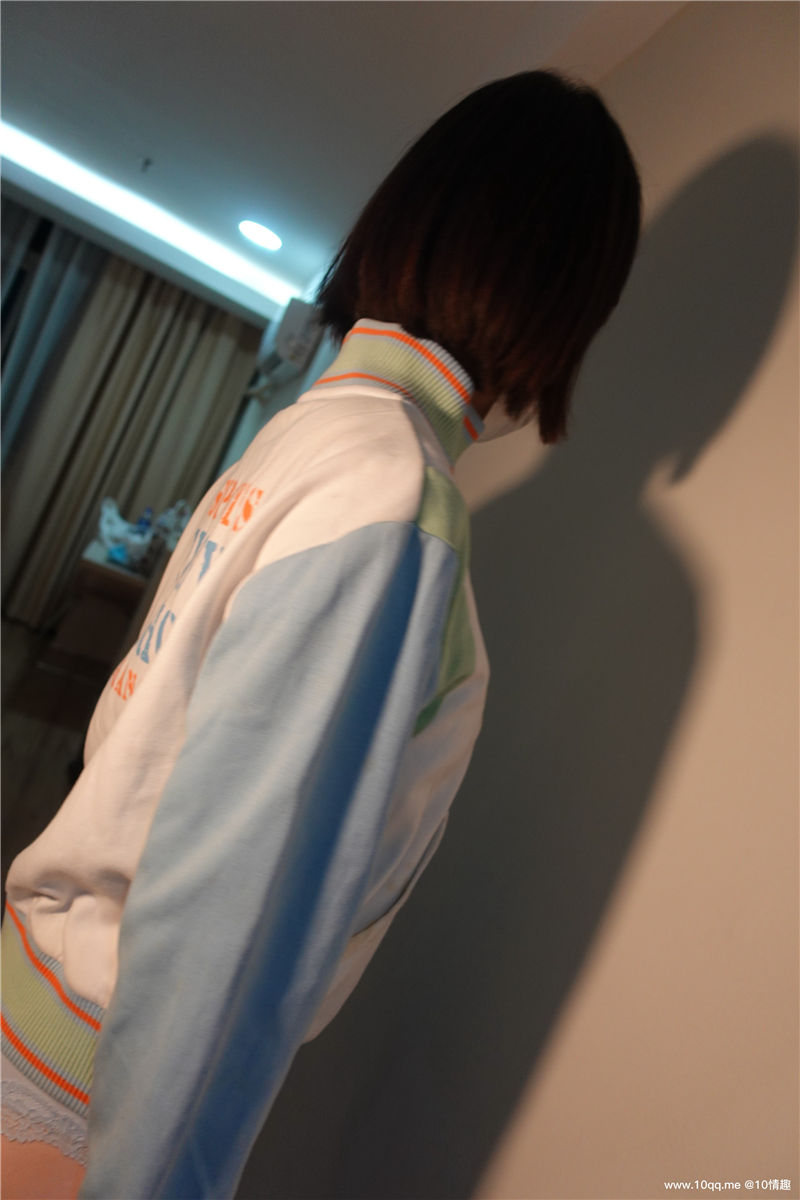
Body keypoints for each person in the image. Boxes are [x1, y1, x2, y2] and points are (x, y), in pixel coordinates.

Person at [1, 69, 642, 1199]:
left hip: (42, 1009)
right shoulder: (394, 497)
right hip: (95, 1085)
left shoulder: (307, 435)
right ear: (554, 306)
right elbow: (227, 898)